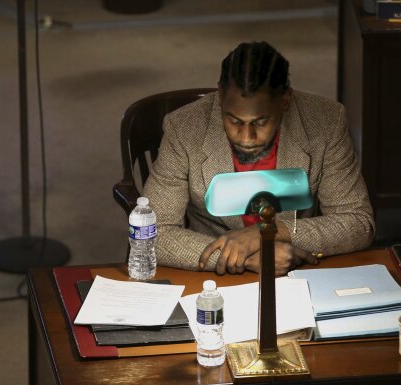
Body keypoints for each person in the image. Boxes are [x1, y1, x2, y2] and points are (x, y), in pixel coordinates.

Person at [144, 41, 374, 276]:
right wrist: (246, 258)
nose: (246, 138)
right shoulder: (184, 127)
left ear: (285, 101)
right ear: (221, 96)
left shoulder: (326, 121)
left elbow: (358, 222)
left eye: (261, 122)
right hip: (213, 279)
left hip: (296, 271)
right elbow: (152, 232)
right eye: (234, 121)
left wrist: (272, 231)